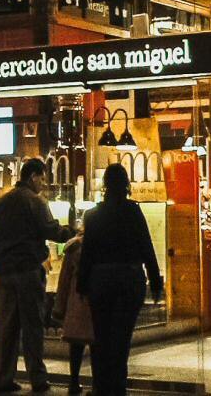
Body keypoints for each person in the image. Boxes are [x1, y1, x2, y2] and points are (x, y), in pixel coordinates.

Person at [0, 157, 72, 394]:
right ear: (33, 176)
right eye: (42, 178)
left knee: (6, 328)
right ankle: (38, 378)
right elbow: (51, 230)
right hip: (28, 271)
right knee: (32, 326)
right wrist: (72, 234)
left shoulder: (1, 202)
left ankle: (3, 379)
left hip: (5, 273)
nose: (43, 184)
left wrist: (1, 260)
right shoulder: (35, 201)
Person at [78, 163, 162, 396]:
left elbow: (88, 254)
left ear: (105, 185)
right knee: (121, 337)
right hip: (129, 278)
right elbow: (146, 246)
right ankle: (117, 385)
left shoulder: (93, 215)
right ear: (126, 185)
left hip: (101, 279)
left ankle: (101, 386)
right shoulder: (133, 212)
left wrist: (82, 284)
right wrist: (155, 280)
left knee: (101, 336)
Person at [51, 228, 94, 396]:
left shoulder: (73, 249)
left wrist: (59, 309)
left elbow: (64, 281)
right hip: (96, 299)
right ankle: (97, 384)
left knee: (76, 346)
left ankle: (74, 381)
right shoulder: (103, 244)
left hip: (77, 301)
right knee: (96, 344)